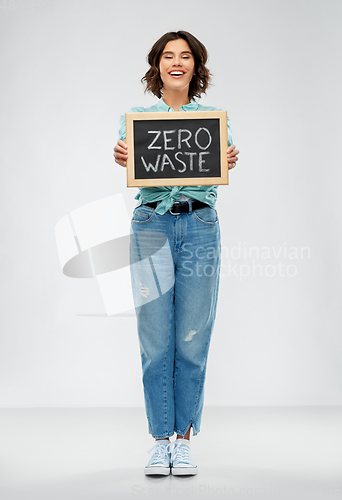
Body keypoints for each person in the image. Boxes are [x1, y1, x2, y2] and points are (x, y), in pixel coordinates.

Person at [113, 31, 239, 476]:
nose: (177, 62)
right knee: (155, 339)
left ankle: (183, 439)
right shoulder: (137, 120)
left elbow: (217, 164)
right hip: (151, 225)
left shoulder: (212, 120)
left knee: (191, 337)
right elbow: (132, 162)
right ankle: (159, 439)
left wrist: (227, 157)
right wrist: (122, 154)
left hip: (200, 225)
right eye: (169, 55)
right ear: (158, 66)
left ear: (195, 66)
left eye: (185, 55)